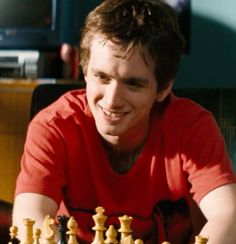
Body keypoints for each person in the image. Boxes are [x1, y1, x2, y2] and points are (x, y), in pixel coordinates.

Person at [12, 0, 236, 243]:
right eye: (102, 77)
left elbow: (229, 216)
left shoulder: (192, 126)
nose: (112, 100)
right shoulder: (54, 126)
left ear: (163, 88)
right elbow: (29, 219)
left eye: (133, 83)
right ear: (85, 72)